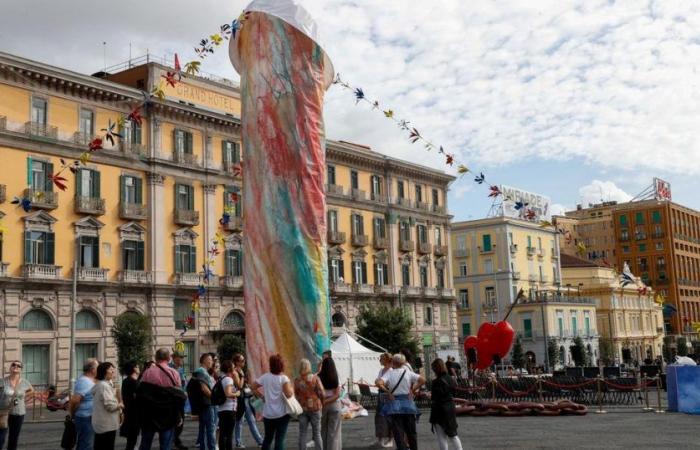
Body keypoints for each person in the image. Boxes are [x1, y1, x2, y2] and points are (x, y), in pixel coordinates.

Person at [137, 348, 187, 450]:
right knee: (165, 445)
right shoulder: (174, 373)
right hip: (168, 414)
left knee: (145, 444)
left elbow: (141, 392)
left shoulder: (147, 372)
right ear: (169, 358)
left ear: (156, 358)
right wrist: (179, 415)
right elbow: (178, 396)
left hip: (149, 413)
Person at [376, 354, 426, 450]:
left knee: (398, 433)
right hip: (408, 405)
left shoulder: (390, 373)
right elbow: (423, 380)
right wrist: (413, 390)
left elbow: (378, 383)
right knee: (411, 432)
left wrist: (388, 392)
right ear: (403, 363)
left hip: (395, 406)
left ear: (393, 362)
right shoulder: (407, 372)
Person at [251, 354, 293, 450]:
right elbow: (289, 395)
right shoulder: (284, 379)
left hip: (268, 414)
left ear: (271, 365)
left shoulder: (265, 377)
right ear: (281, 365)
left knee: (268, 439)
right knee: (279, 440)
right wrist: (291, 389)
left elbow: (252, 387)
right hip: (282, 414)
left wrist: (261, 396)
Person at [429, 359, 462, 450]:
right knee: (453, 435)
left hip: (439, 410)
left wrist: (428, 395)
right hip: (450, 408)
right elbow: (454, 393)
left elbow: (434, 397)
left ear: (435, 369)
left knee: (442, 437)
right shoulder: (450, 378)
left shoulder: (436, 382)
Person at [232, 353, 263, 448]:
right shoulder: (235, 372)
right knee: (242, 421)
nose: (244, 362)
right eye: (242, 361)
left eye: (244, 360)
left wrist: (255, 393)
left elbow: (246, 385)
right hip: (241, 399)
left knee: (245, 421)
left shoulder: (241, 371)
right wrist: (242, 377)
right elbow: (239, 386)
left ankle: (257, 441)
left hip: (246, 398)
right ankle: (259, 441)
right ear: (236, 362)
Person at [0, 360, 33, 450]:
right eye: (13, 365)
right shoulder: (3, 381)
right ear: (10, 368)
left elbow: (32, 392)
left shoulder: (24, 382)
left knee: (13, 438)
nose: (16, 366)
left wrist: (24, 400)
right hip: (3, 413)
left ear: (21, 369)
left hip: (19, 413)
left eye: (19, 366)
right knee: (0, 437)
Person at [91, 362, 123, 450]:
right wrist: (120, 405)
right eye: (111, 369)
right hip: (107, 425)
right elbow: (110, 406)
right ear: (104, 371)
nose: (113, 371)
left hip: (102, 424)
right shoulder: (104, 386)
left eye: (113, 369)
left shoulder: (102, 384)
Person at [294, 358, 324, 450]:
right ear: (309, 367)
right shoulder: (315, 378)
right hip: (315, 408)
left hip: (302, 409)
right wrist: (322, 402)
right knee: (317, 433)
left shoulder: (297, 380)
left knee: (302, 433)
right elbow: (322, 393)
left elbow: (295, 394)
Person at [69, 358, 99, 450]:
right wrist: (73, 415)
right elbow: (75, 401)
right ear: (92, 369)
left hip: (89, 417)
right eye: (97, 367)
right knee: (86, 444)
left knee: (85, 443)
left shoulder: (90, 380)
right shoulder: (84, 381)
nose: (99, 369)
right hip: (85, 418)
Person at [192, 353, 216, 450]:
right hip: (206, 403)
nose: (212, 362)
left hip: (203, 403)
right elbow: (203, 387)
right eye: (210, 359)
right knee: (209, 428)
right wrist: (213, 397)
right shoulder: (201, 371)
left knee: (203, 428)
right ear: (205, 360)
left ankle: (203, 447)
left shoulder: (202, 371)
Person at [318, 357, 341, 450]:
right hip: (335, 404)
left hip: (322, 405)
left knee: (322, 430)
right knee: (333, 432)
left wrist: (324, 402)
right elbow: (337, 394)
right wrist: (329, 401)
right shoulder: (336, 376)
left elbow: (317, 392)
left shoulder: (319, 376)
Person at [218, 360, 240, 450]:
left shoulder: (222, 378)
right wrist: (237, 394)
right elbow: (228, 393)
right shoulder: (228, 379)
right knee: (229, 434)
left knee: (223, 434)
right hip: (229, 409)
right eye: (233, 367)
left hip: (222, 409)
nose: (235, 368)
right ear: (229, 369)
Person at [373, 353, 394, 448]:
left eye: (381, 358)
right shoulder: (382, 370)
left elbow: (380, 381)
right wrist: (379, 383)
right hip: (381, 394)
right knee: (379, 417)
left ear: (386, 360)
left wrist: (380, 383)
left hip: (387, 396)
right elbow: (377, 381)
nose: (380, 360)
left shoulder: (390, 370)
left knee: (388, 417)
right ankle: (380, 439)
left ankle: (390, 439)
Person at [169, 351, 188, 450]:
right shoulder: (169, 368)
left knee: (181, 421)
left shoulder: (181, 369)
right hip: (173, 399)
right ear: (175, 358)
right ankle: (172, 442)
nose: (182, 359)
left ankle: (176, 440)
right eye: (181, 357)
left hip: (181, 399)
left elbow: (183, 382)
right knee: (176, 421)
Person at [120, 362, 141, 450]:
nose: (139, 367)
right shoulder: (134, 383)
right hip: (135, 414)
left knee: (131, 440)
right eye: (137, 366)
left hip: (129, 412)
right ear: (134, 369)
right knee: (133, 440)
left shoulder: (126, 381)